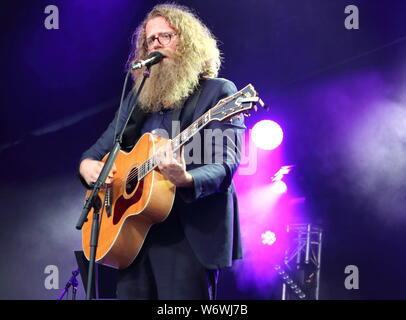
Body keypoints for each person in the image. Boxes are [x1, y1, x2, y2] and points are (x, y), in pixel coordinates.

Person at [79, 3, 245, 300]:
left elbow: (227, 164)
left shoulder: (218, 92)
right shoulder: (139, 100)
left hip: (188, 234)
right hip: (132, 234)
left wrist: (185, 178)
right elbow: (97, 152)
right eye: (150, 40)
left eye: (165, 36)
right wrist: (88, 167)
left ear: (188, 43)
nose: (155, 44)